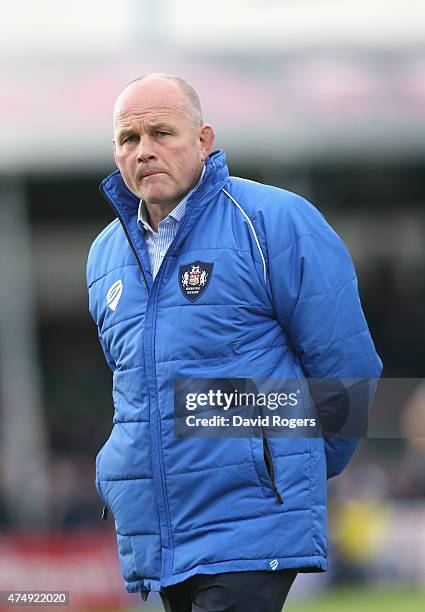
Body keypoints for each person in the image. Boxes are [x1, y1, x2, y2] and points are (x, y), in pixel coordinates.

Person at [87, 73, 382, 611]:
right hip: (160, 530)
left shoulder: (274, 220)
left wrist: (295, 463)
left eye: (161, 133)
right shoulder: (104, 256)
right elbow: (131, 388)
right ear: (115, 153)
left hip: (252, 522)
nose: (145, 150)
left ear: (203, 140)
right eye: (129, 140)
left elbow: (347, 365)